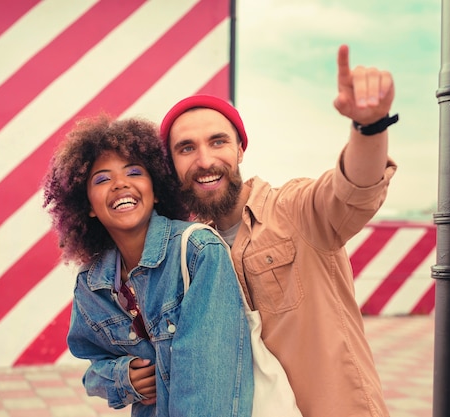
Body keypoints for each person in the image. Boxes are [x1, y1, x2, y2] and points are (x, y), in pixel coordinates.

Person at [159, 44, 397, 417]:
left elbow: (353, 192)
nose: (205, 160)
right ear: (171, 165)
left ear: (240, 149)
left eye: (218, 141)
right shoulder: (184, 252)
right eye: (186, 148)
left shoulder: (296, 210)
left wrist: (369, 127)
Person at [42, 114, 253, 417]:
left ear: (156, 191)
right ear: (87, 205)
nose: (120, 184)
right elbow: (93, 371)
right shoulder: (92, 283)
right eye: (102, 179)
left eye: (134, 172)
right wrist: (123, 378)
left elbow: (210, 390)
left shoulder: (198, 253)